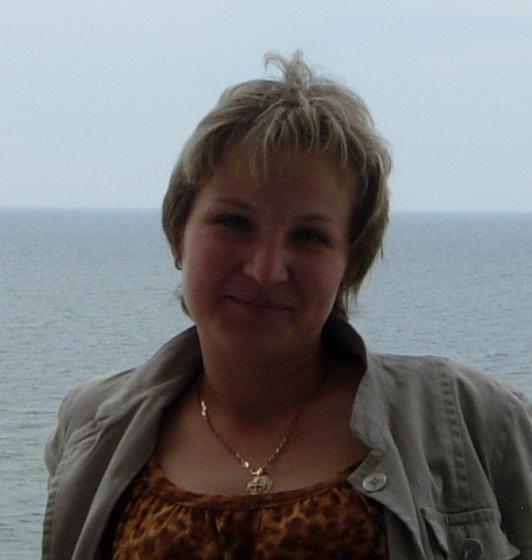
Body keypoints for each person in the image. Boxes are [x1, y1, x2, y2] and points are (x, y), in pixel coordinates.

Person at [42, 52, 532, 560]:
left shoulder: (472, 422)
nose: (266, 270)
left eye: (309, 236)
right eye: (234, 223)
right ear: (177, 233)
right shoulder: (92, 428)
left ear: (351, 263)